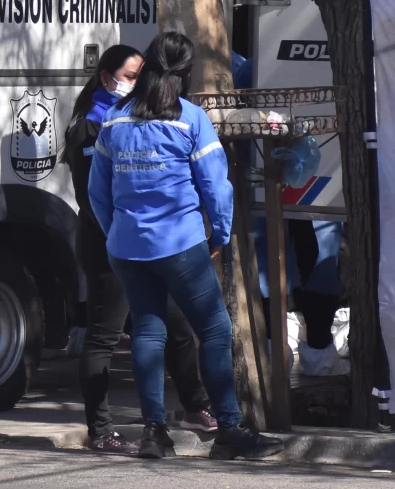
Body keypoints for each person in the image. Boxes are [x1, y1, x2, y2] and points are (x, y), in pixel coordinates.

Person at [87, 32, 284, 460]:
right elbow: (216, 189)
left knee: (147, 332)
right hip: (180, 244)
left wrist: (116, 232)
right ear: (187, 72)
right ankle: (230, 429)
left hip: (126, 247)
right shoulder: (190, 119)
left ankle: (154, 433)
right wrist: (221, 234)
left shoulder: (115, 120)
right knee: (214, 330)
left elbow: (97, 191)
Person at [62, 44, 218, 454]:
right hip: (107, 244)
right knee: (104, 338)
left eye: (138, 76)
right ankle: (100, 429)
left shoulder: (132, 120)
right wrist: (121, 233)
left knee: (177, 326)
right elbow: (90, 196)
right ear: (106, 78)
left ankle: (195, 405)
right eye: (128, 76)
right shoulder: (92, 126)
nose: (134, 84)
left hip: (141, 242)